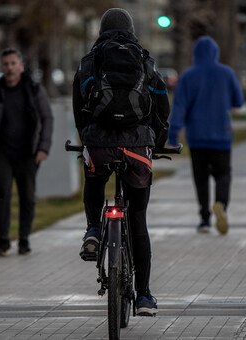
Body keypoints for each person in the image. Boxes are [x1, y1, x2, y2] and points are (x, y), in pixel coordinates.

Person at [72, 8, 170, 316]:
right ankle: (143, 296)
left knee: (95, 180)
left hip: (99, 145)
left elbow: (79, 106)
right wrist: (158, 142)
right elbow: (161, 105)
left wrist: (86, 138)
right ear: (130, 30)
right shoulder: (145, 60)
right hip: (137, 148)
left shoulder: (90, 61)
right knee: (137, 218)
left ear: (100, 30)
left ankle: (92, 229)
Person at [0, 48, 53, 256]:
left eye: (13, 63)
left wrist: (43, 148)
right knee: (2, 193)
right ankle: (3, 240)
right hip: (1, 152)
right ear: (1, 67)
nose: (9, 68)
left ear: (20, 65)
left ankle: (24, 239)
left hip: (28, 152)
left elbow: (47, 118)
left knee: (27, 197)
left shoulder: (33, 89)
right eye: (6, 64)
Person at [168, 36, 245, 235]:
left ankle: (204, 219)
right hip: (222, 135)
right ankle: (221, 205)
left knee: (200, 178)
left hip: (197, 137)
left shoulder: (188, 76)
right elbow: (239, 100)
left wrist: (173, 135)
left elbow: (179, 107)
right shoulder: (226, 73)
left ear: (196, 54)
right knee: (223, 174)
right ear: (215, 53)